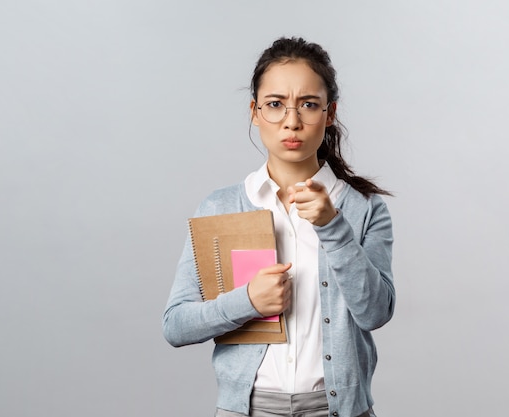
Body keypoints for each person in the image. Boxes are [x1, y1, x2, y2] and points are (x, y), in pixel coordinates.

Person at [163, 37, 395, 417]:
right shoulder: (220, 208)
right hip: (248, 410)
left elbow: (375, 313)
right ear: (254, 111)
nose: (292, 121)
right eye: (274, 105)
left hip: (338, 410)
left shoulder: (363, 207)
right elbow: (175, 325)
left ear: (330, 112)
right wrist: (248, 302)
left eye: (308, 104)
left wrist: (332, 226)